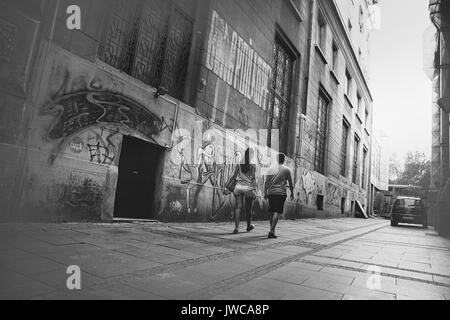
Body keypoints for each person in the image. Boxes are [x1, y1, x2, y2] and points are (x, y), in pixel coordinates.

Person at [225, 148, 257, 234]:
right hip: (248, 188)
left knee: (238, 207)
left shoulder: (239, 165)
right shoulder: (253, 165)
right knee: (248, 208)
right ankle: (248, 226)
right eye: (253, 154)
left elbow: (233, 176)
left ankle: (236, 228)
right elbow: (253, 179)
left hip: (238, 187)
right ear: (251, 155)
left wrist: (228, 186)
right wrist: (255, 190)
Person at [264, 153, 294, 239]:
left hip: (271, 193)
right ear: (283, 160)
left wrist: (265, 192)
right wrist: (292, 192)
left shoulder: (271, 169)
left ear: (277, 159)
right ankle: (271, 230)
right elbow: (290, 183)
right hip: (281, 193)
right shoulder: (287, 170)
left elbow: (266, 182)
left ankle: (272, 229)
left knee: (272, 211)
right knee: (277, 211)